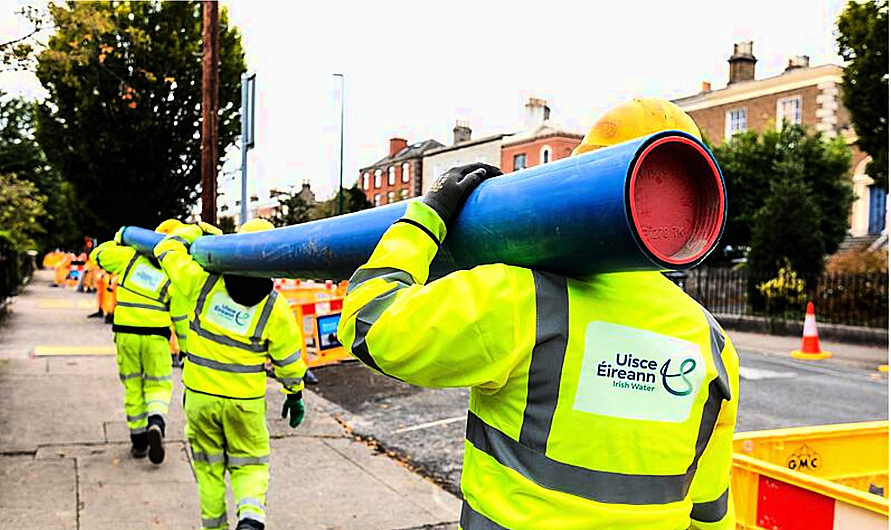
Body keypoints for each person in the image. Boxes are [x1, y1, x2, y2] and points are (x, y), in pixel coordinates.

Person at [338, 98, 739, 530]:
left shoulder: (520, 297)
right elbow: (710, 508)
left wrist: (424, 219)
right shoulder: (710, 343)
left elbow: (369, 322)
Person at [153, 218, 308, 530]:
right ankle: (251, 517)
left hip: (199, 398)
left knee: (208, 470)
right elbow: (289, 361)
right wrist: (295, 393)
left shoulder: (203, 283)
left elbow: (166, 248)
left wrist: (198, 230)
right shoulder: (276, 309)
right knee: (250, 464)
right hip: (245, 403)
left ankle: (215, 527)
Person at [90, 221, 183, 464]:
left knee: (133, 385)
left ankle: (139, 442)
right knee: (159, 385)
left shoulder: (129, 258)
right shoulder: (175, 272)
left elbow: (97, 255)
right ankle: (156, 422)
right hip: (156, 337)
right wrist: (185, 346)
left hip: (126, 334)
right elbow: (181, 316)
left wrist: (123, 238)